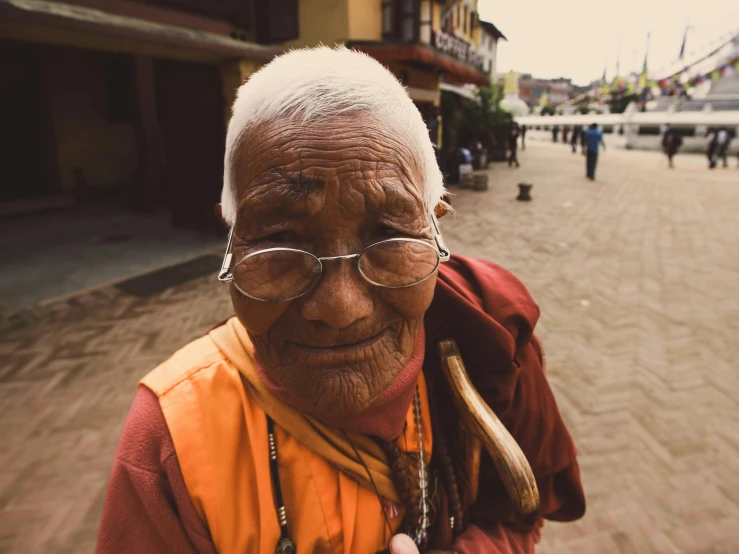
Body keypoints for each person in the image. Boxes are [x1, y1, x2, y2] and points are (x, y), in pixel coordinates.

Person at [96, 46, 585, 554]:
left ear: (435, 225)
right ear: (233, 239)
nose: (341, 307)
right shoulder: (172, 435)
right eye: (281, 241)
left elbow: (516, 514)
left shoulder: (485, 343)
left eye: (391, 235)